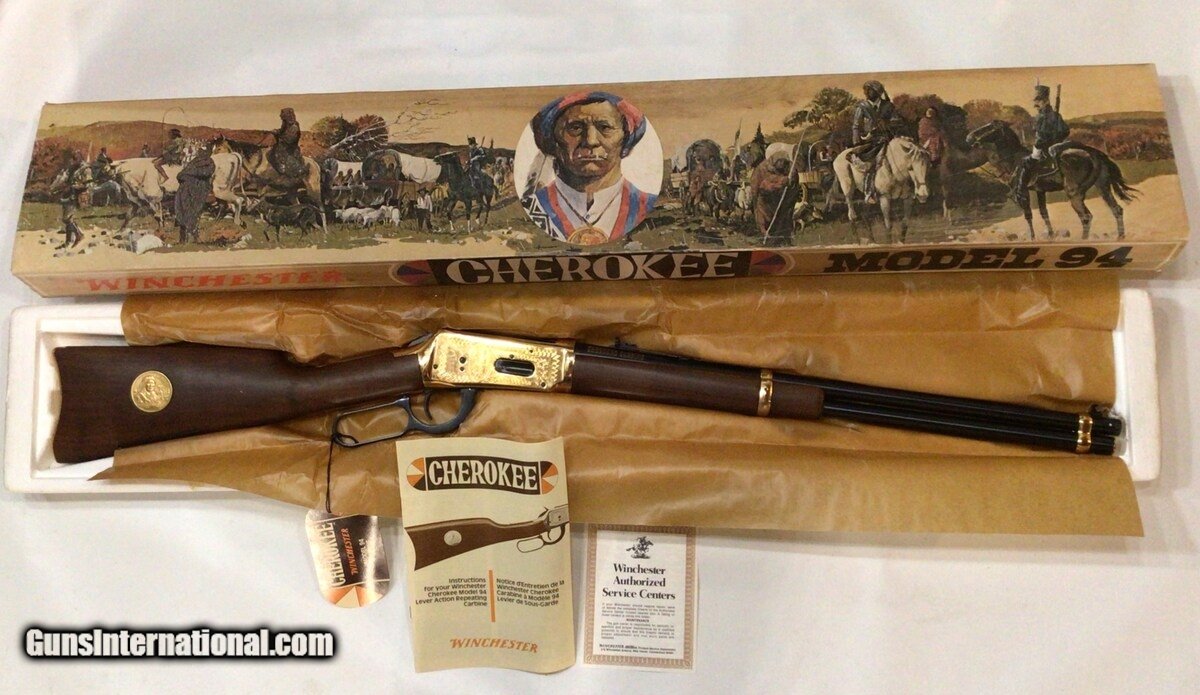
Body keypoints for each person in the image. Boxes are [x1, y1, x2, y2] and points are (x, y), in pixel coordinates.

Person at [522, 91, 657, 245]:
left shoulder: (651, 208)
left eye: (605, 127)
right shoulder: (529, 210)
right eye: (575, 128)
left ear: (626, 139)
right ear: (554, 141)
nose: (591, 141)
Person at [1011, 84, 1071, 205]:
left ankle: (1020, 192)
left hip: (1043, 149)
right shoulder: (1053, 115)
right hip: (1051, 147)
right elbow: (1065, 131)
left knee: (1024, 162)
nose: (1036, 104)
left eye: (1038, 101)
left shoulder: (1044, 116)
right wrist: (1056, 139)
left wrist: (1049, 141)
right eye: (1036, 101)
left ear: (1046, 101)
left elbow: (1043, 136)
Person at [849, 80, 902, 203]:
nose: (866, 93)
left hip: (888, 139)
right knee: (871, 164)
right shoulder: (862, 107)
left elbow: (897, 121)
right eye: (865, 90)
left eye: (869, 90)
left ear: (878, 91)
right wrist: (857, 143)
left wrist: (887, 123)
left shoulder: (888, 106)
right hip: (870, 141)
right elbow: (856, 126)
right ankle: (870, 191)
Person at [750, 151, 800, 247]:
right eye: (779, 161)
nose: (781, 164)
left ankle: (783, 239)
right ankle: (766, 238)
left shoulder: (790, 168)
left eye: (783, 162)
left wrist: (790, 181)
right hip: (766, 199)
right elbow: (757, 186)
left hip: (783, 199)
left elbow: (794, 182)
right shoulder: (762, 168)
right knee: (764, 219)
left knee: (783, 218)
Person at [174, 141, 216, 243]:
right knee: (181, 211)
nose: (201, 153)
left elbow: (206, 173)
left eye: (203, 151)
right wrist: (187, 175)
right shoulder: (193, 162)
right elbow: (180, 175)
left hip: (198, 190)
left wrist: (189, 174)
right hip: (184, 189)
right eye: (200, 151)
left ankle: (193, 238)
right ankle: (183, 239)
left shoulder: (209, 162)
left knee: (192, 213)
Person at [53, 151, 90, 249]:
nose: (72, 162)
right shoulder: (72, 168)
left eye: (75, 159)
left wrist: (75, 186)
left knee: (67, 218)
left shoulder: (86, 169)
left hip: (78, 195)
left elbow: (88, 184)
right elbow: (66, 179)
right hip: (69, 194)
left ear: (79, 159)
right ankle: (68, 241)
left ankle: (79, 235)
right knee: (68, 218)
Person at [268, 107, 306, 179]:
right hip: (283, 146)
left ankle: (285, 171)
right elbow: (282, 131)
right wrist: (276, 131)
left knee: (281, 155)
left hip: (290, 148)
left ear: (287, 116)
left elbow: (290, 140)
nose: (280, 116)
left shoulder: (294, 127)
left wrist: (279, 136)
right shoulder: (286, 124)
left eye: (282, 114)